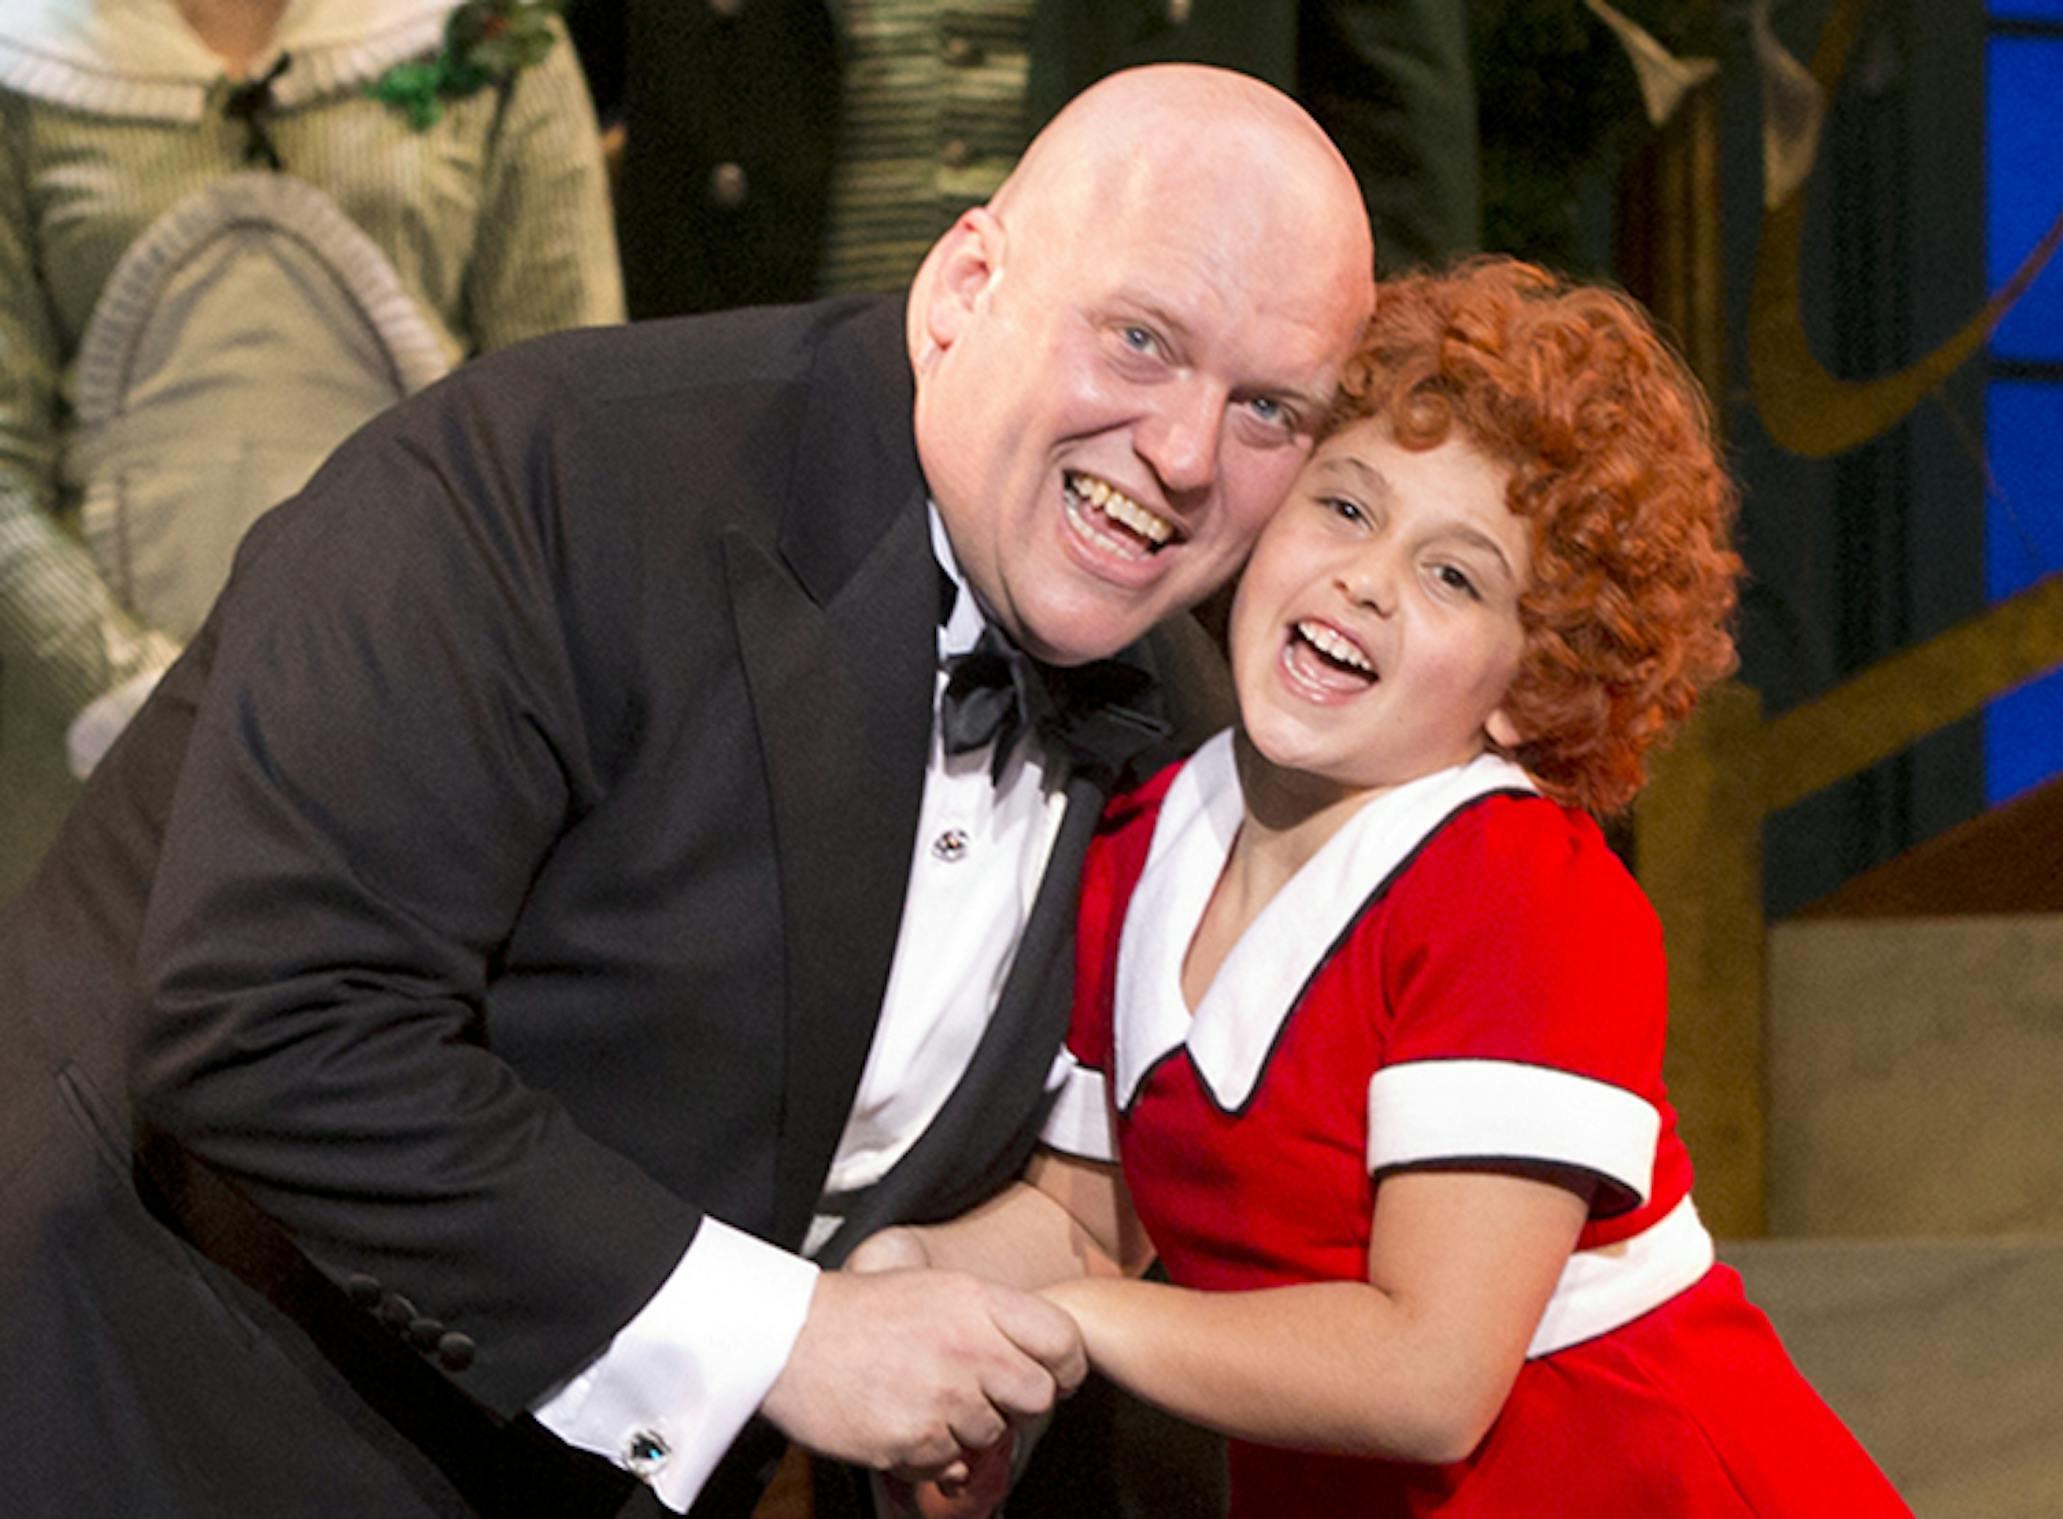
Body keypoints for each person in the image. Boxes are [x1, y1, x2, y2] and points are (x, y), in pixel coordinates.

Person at [0, 63, 1374, 1518]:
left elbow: (1093, 1185)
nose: (1182, 453)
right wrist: (782, 1338)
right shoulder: (546, 481)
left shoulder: (1195, 734)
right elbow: (268, 1016)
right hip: (146, 1408)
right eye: (1143, 339)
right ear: (965, 285)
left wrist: (963, 1354)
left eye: (1269, 409)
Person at [850, 259, 1915, 1516]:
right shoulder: (1144, 839)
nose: (1366, 578)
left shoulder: (1520, 894)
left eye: (1454, 575)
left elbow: (1427, 1376)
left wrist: (1076, 1325)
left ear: (1532, 688)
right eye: (1346, 509)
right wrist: (913, 1287)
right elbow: (1088, 1223)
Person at [0, 0, 624, 896]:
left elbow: (567, 438)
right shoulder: (23, 66)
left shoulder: (494, 42)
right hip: (95, 780)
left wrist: (394, 712)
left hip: (418, 768)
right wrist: (149, 706)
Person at [567, 0, 1477, 318]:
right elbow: (561, 67)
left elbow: (1394, 126)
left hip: (1133, 404)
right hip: (773, 365)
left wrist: (1399, 409)